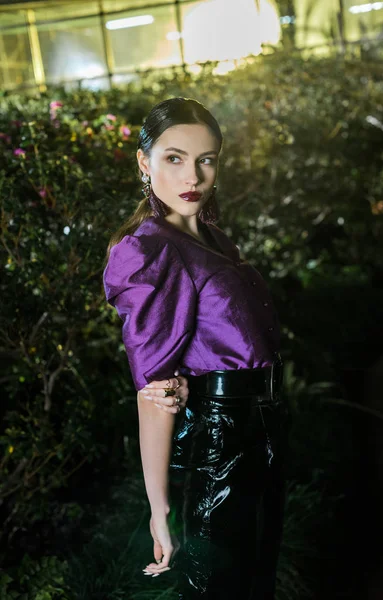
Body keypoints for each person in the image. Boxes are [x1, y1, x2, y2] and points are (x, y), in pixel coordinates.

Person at [103, 97, 289, 600]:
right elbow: (156, 393)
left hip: (263, 429)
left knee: (257, 581)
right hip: (220, 441)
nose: (194, 175)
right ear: (144, 162)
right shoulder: (149, 250)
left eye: (206, 159)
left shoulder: (213, 239)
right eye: (174, 158)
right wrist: (158, 508)